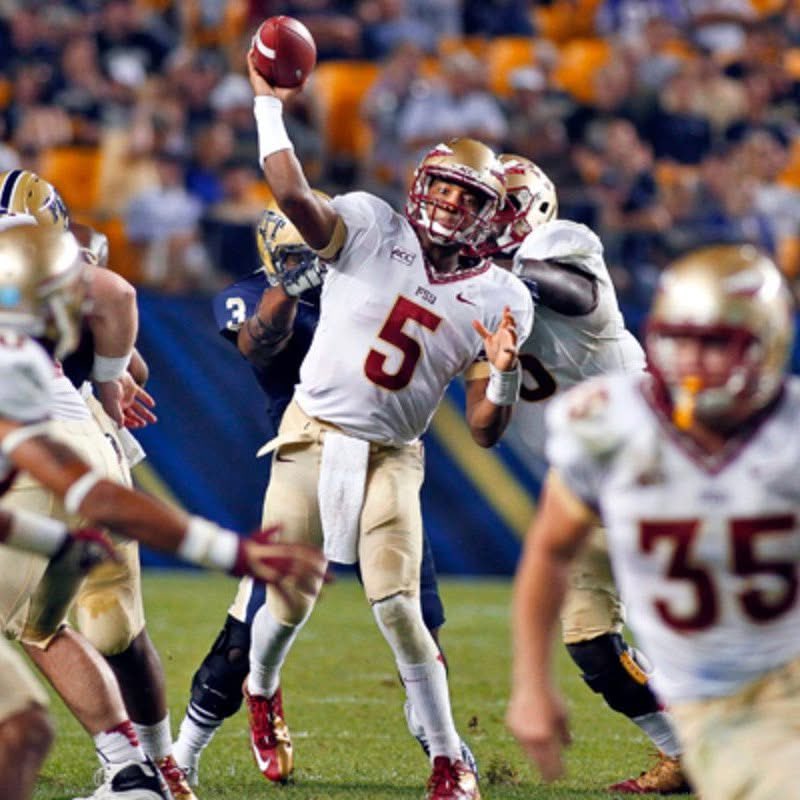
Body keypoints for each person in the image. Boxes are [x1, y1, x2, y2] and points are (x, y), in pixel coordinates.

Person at [243, 51, 533, 800]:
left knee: (400, 607)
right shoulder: (371, 223)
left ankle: (449, 757)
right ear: (417, 183)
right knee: (289, 595)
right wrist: (267, 103)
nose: (443, 203)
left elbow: (485, 430)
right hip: (311, 433)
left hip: (391, 456)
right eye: (437, 185)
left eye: (462, 195)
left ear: (488, 213)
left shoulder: (502, 295)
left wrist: (502, 370)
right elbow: (290, 192)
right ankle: (261, 688)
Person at [0, 220, 327, 799]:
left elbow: (72, 486)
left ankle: (132, 775)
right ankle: (137, 771)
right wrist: (231, 551)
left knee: (26, 713)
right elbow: (87, 489)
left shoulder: (22, 365)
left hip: (66, 464)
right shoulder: (29, 362)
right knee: (37, 675)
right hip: (89, 446)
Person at [173, 202, 475, 785]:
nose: (310, 263)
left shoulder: (370, 277)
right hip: (305, 461)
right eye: (292, 257)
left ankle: (443, 749)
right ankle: (185, 753)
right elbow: (258, 345)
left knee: (415, 620)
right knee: (247, 634)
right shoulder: (249, 297)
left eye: (314, 252)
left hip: (381, 460)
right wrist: (289, 286)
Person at [507, 243, 799, 800]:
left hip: (782, 688)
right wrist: (531, 683)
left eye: (714, 344)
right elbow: (548, 551)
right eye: (679, 340)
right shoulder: (607, 421)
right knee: (591, 638)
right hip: (703, 705)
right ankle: (675, 752)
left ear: (767, 346)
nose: (691, 361)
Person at [482, 154, 690, 794]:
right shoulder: (472, 286)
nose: (476, 221)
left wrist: (496, 267)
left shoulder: (561, 246)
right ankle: (686, 753)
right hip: (581, 481)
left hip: (651, 458)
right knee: (591, 642)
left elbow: (577, 293)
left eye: (490, 208)